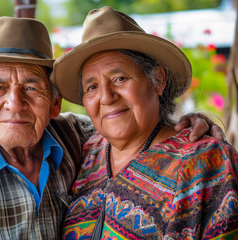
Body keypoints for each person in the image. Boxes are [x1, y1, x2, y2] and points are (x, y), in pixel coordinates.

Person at [0, 15, 223, 240]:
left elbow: (132, 127)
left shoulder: (78, 139)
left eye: (32, 87)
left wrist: (193, 123)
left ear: (55, 104)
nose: (14, 103)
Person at [51, 6, 238, 239]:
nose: (107, 97)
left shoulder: (205, 161)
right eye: (92, 87)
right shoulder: (84, 152)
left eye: (120, 78)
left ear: (158, 80)